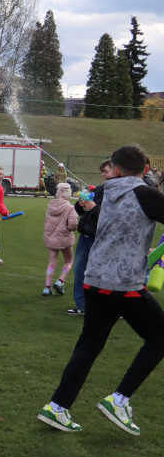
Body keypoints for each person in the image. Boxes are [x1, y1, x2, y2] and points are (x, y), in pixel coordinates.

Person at [38, 144, 164, 436]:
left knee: (89, 344)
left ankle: (57, 407)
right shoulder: (144, 193)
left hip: (95, 281)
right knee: (159, 337)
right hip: (124, 284)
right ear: (145, 170)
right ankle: (119, 400)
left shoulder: (104, 192)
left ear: (115, 169)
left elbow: (87, 225)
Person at [67, 160, 115, 316]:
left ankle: (112, 307)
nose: (103, 174)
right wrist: (80, 205)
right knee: (81, 271)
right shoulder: (101, 188)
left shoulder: (118, 192)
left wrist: (94, 208)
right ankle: (82, 306)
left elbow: (113, 219)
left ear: (117, 171)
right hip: (86, 237)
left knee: (103, 274)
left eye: (106, 171)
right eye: (102, 171)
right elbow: (84, 211)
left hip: (101, 239)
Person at [42, 182, 78, 297]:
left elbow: (46, 221)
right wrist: (68, 228)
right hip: (64, 238)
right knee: (69, 261)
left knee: (51, 263)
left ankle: (47, 287)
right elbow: (73, 225)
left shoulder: (50, 205)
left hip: (50, 237)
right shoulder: (70, 207)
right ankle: (60, 281)